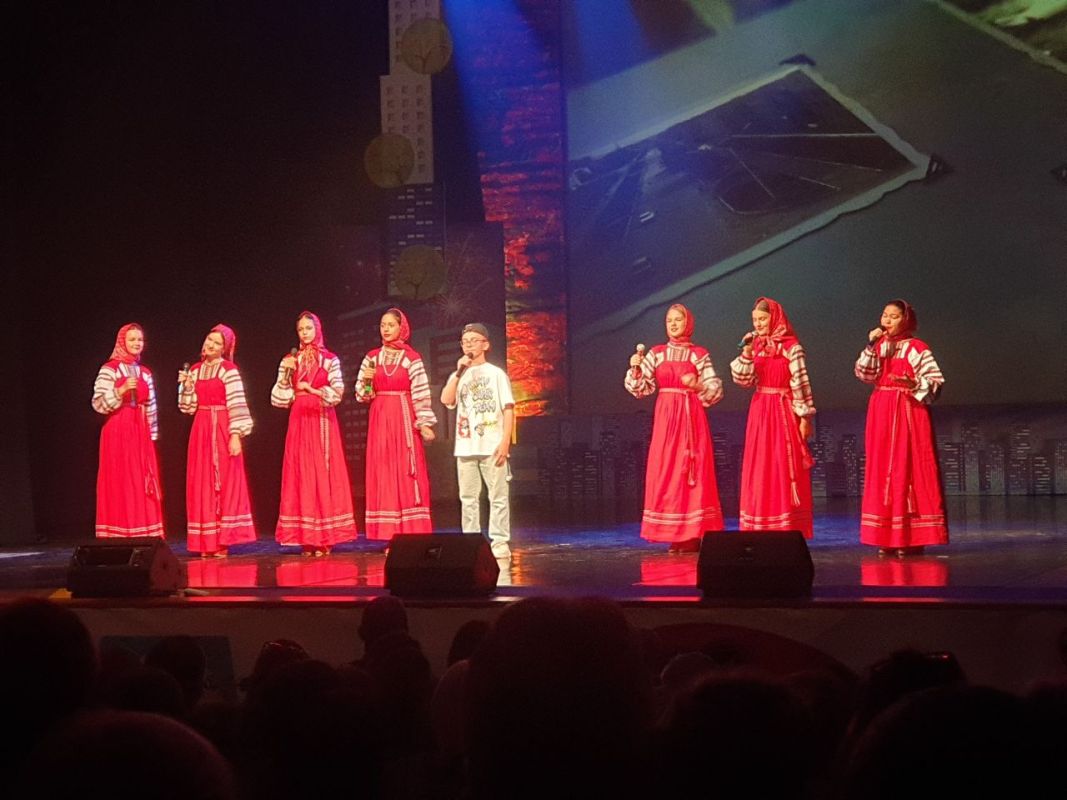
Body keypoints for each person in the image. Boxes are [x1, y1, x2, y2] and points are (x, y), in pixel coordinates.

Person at [625, 304, 724, 552]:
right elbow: (640, 389)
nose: (673, 324)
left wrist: (698, 386)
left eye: (678, 320)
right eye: (669, 320)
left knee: (690, 472)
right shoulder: (657, 353)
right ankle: (673, 533)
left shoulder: (698, 354)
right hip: (666, 419)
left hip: (691, 420)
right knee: (666, 471)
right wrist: (635, 369)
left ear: (688, 323)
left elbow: (715, 390)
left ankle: (692, 534)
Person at [855, 299, 947, 556]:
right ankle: (885, 535)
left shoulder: (917, 348)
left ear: (905, 320)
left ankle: (912, 536)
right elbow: (864, 374)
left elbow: (936, 383)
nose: (887, 320)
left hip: (908, 412)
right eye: (885, 315)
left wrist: (913, 383)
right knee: (882, 469)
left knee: (908, 469)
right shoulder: (878, 346)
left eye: (893, 316)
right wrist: (871, 345)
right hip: (881, 412)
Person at [271, 311, 357, 555]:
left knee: (322, 471)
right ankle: (306, 537)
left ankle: (324, 537)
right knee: (301, 473)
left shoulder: (329, 359)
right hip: (299, 419)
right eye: (301, 329)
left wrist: (313, 390)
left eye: (309, 328)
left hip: (321, 418)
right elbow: (278, 399)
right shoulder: (290, 360)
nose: (305, 333)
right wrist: (286, 376)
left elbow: (337, 392)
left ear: (317, 330)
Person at [730, 297, 816, 539]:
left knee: (781, 465)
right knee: (760, 467)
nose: (758, 324)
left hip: (782, 411)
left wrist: (804, 418)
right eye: (755, 320)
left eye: (763, 319)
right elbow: (743, 381)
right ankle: (761, 525)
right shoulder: (755, 345)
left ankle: (785, 526)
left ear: (775, 318)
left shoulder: (791, 347)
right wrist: (747, 352)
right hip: (760, 411)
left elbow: (800, 383)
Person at [354, 308, 436, 540]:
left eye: (391, 325)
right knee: (384, 469)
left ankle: (411, 532)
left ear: (402, 328)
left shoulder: (412, 358)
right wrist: (368, 381)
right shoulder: (372, 357)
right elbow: (362, 395)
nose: (386, 329)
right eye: (383, 325)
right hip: (380, 417)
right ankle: (388, 533)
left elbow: (420, 392)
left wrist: (424, 423)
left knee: (405, 469)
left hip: (403, 416)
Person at [178, 324, 255, 557]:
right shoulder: (195, 370)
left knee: (222, 480)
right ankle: (205, 541)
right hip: (201, 429)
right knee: (201, 481)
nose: (211, 345)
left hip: (222, 426)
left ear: (224, 349)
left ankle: (222, 540)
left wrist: (235, 435)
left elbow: (237, 403)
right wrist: (187, 387)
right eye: (209, 340)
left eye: (217, 343)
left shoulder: (228, 370)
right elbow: (187, 407)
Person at [440, 323, 515, 559]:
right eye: (465, 342)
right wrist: (458, 373)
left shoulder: (496, 374)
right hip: (465, 446)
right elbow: (446, 400)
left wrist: (505, 442)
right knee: (468, 498)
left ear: (486, 344)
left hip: (493, 445)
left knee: (498, 496)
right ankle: (471, 541)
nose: (469, 345)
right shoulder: (458, 375)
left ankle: (500, 540)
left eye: (474, 340)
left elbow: (509, 409)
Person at [92, 323, 164, 538]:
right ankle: (120, 533)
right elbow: (98, 403)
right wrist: (120, 390)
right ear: (122, 342)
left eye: (140, 340)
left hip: (140, 430)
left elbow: (151, 405)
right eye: (132, 339)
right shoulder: (110, 369)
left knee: (141, 479)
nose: (137, 343)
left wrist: (151, 435)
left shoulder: (145, 373)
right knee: (121, 479)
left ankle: (144, 531)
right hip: (118, 428)